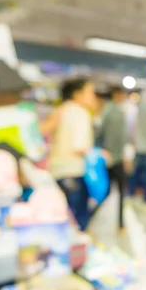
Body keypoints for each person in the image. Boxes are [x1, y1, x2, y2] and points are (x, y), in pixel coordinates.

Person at [41, 78, 96, 231]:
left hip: (56, 172)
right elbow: (79, 146)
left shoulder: (59, 110)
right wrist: (98, 153)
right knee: (77, 223)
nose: (94, 97)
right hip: (73, 172)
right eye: (90, 92)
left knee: (61, 217)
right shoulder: (81, 113)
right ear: (77, 94)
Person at [100, 86, 129, 232]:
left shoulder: (106, 111)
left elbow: (100, 134)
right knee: (119, 192)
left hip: (107, 157)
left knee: (107, 192)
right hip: (115, 158)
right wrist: (125, 156)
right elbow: (121, 138)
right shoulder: (117, 113)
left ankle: (94, 219)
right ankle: (120, 224)